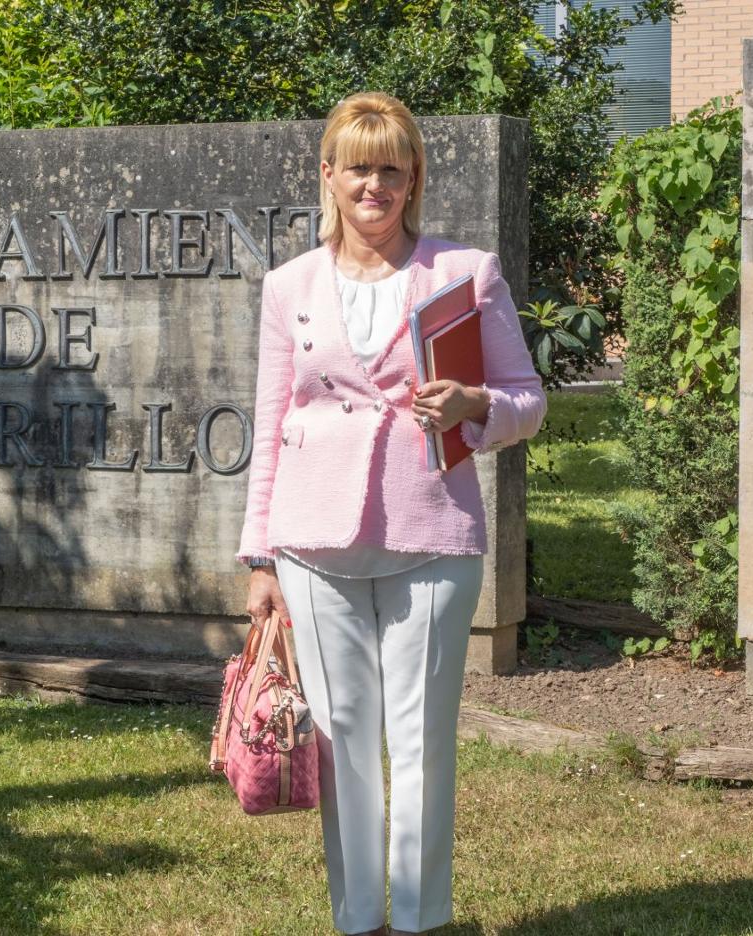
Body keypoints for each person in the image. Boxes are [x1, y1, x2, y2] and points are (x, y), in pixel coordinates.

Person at [235, 91, 546, 936]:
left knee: (419, 744)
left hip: (430, 537)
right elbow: (271, 423)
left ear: (414, 179)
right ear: (328, 175)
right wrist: (259, 557)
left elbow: (528, 400)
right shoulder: (287, 285)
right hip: (312, 543)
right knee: (339, 749)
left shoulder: (464, 273)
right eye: (357, 167)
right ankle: (357, 919)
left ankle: (420, 920)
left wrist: (474, 403)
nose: (374, 185)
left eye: (392, 169)